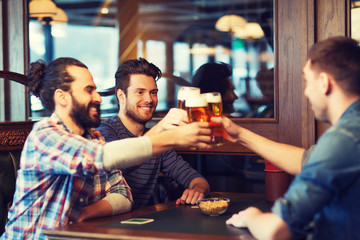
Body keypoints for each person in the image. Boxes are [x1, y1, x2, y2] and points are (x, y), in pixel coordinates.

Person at [1, 57, 212, 239]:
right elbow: (104, 156)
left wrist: (81, 214)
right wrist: (169, 134)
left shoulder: (93, 136)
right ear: (62, 97)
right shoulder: (46, 134)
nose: (99, 98)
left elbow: (123, 195)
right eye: (89, 90)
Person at [212, 36, 360, 239]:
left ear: (324, 83)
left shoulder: (342, 138)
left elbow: (276, 230)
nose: (306, 92)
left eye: (307, 82)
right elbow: (308, 160)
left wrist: (251, 216)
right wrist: (240, 135)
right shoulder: (351, 133)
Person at [97, 58, 211, 209]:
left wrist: (198, 190)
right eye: (140, 92)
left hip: (138, 222)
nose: (149, 99)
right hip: (104, 223)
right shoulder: (105, 130)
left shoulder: (157, 139)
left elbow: (195, 178)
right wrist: (161, 128)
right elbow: (120, 163)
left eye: (153, 92)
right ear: (121, 96)